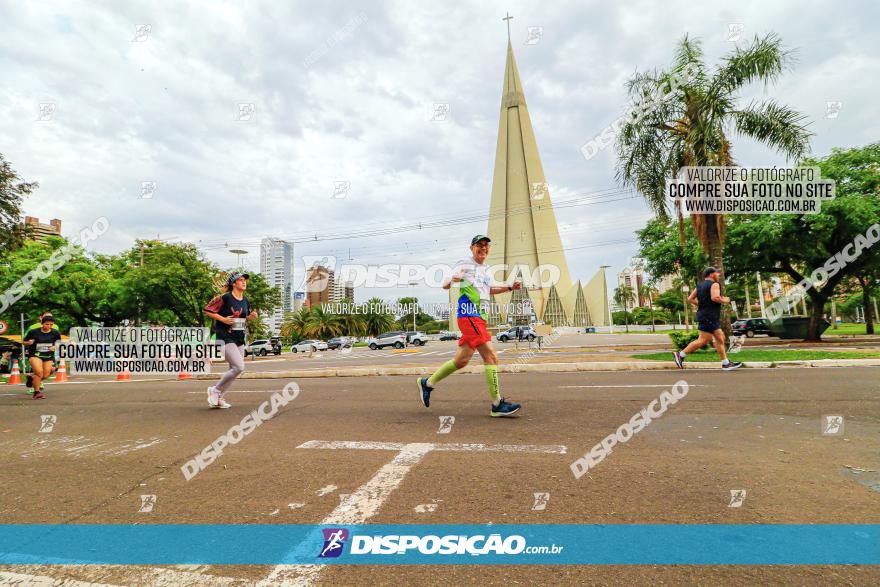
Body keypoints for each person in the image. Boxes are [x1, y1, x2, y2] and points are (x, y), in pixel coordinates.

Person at [417, 235, 523, 417]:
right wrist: (452, 280)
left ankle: (427, 384)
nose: (483, 248)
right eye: (479, 245)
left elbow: (489, 290)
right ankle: (497, 404)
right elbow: (446, 283)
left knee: (461, 360)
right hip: (468, 313)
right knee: (491, 356)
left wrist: (509, 288)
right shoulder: (464, 263)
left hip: (479, 316)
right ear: (471, 248)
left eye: (486, 245)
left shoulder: (486, 269)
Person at [203, 272, 258, 408]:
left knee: (234, 370)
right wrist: (223, 319)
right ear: (234, 284)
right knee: (239, 367)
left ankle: (219, 398)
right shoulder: (226, 298)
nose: (244, 282)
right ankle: (215, 390)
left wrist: (251, 317)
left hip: (239, 337)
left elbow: (242, 319)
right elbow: (208, 310)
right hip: (224, 336)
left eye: (244, 280)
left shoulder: (245, 301)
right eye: (240, 280)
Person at [673, 267, 743, 371]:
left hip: (706, 315)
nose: (718, 275)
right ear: (711, 274)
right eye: (717, 273)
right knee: (703, 340)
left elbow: (690, 299)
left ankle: (725, 363)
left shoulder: (700, 285)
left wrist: (701, 306)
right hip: (709, 316)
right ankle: (680, 355)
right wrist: (726, 300)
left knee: (720, 338)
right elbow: (715, 297)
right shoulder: (714, 284)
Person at [23, 315, 62, 399]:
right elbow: (24, 342)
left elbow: (59, 343)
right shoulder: (33, 332)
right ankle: (37, 393)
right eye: (47, 324)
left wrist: (55, 347)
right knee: (39, 373)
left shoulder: (55, 332)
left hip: (48, 355)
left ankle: (31, 379)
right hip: (35, 354)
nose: (49, 326)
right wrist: (28, 342)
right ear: (42, 323)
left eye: (51, 325)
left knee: (45, 375)